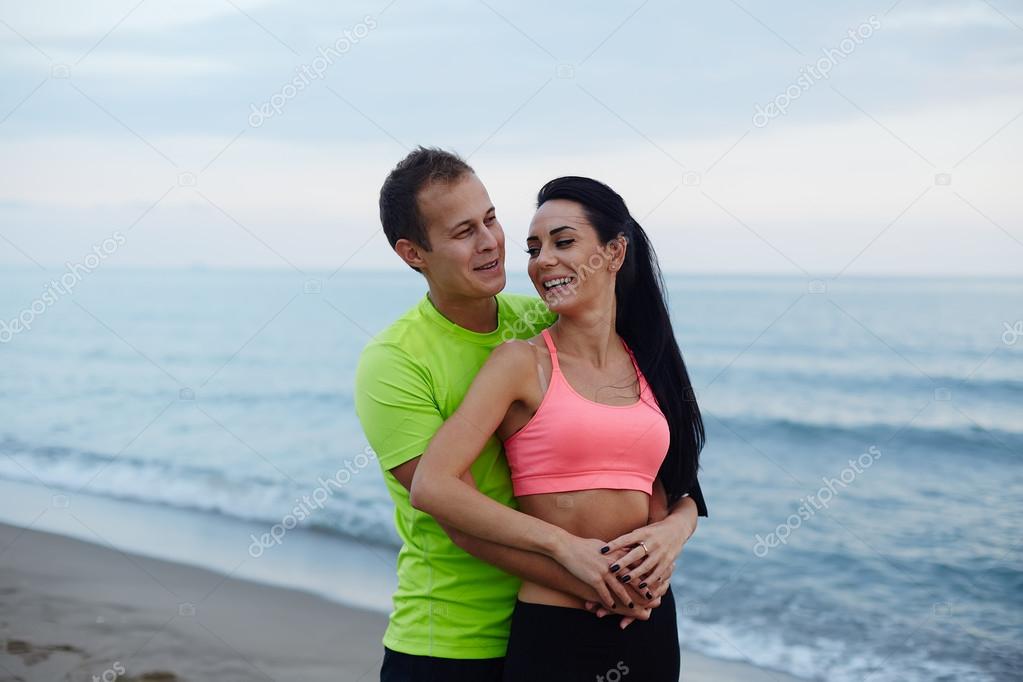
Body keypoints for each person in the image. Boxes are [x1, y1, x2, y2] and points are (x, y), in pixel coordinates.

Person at [356, 149, 691, 681]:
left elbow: (642, 451)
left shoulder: (541, 318)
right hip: (451, 643)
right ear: (412, 253)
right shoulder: (394, 362)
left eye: (490, 219)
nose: (490, 242)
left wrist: (677, 525)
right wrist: (589, 571)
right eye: (464, 231)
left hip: (566, 616)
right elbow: (452, 516)